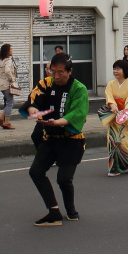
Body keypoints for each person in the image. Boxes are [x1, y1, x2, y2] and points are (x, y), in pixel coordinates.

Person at [23, 53, 89, 226]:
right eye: (53, 72)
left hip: (71, 140)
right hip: (50, 138)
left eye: (61, 72)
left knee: (63, 179)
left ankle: (71, 210)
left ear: (70, 71)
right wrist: (33, 111)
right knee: (36, 172)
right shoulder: (46, 83)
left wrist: (58, 122)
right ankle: (53, 211)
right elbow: (33, 99)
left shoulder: (79, 89)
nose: (57, 76)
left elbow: (78, 113)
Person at [103, 59, 128, 175]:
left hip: (126, 118)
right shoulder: (111, 84)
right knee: (112, 141)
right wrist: (112, 105)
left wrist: (125, 112)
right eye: (114, 69)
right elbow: (109, 95)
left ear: (124, 70)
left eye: (118, 69)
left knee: (124, 142)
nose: (115, 71)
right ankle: (114, 167)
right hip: (114, 117)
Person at [0, 44, 18, 130]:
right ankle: (6, 122)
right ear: (7, 51)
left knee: (9, 102)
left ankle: (0, 118)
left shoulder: (1, 60)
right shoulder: (8, 60)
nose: (12, 50)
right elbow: (8, 71)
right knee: (10, 103)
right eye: (10, 49)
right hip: (7, 84)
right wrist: (12, 80)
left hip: (1, 84)